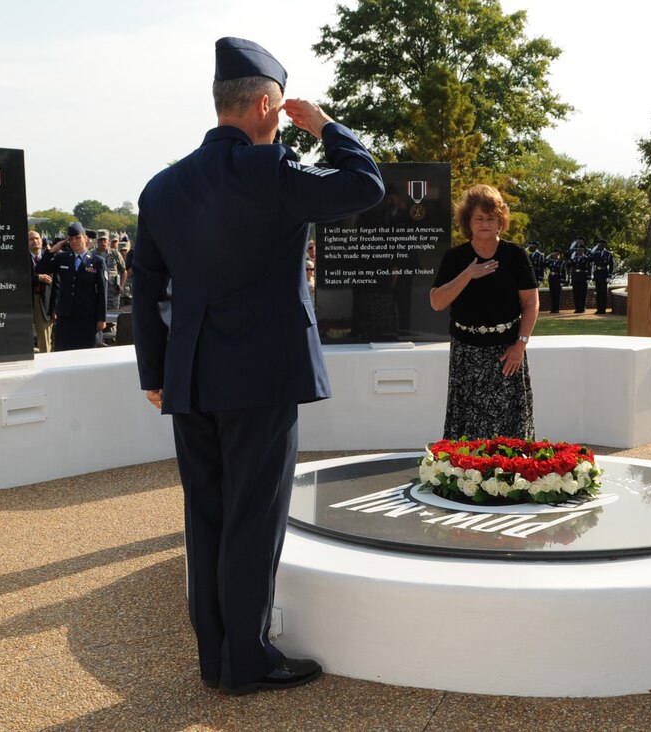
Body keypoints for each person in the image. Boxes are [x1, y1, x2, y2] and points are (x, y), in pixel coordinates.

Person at [132, 37, 384, 695]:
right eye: (280, 107)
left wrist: (156, 374)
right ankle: (247, 660)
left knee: (206, 517)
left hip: (189, 379)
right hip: (262, 376)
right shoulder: (269, 171)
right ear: (268, 102)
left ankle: (214, 658)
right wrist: (325, 125)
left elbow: (148, 289)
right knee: (253, 519)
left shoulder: (162, 187)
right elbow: (366, 183)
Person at [430, 184, 538, 440]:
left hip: (507, 352)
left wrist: (519, 346)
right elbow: (436, 302)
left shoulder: (515, 255)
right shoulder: (456, 258)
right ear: (468, 221)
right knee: (467, 423)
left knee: (507, 422)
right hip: (465, 352)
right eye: (479, 218)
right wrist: (469, 273)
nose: (485, 224)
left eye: (491, 218)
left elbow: (531, 304)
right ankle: (467, 475)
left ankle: (508, 475)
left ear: (501, 221)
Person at [36, 222, 107, 351]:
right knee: (64, 353)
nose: (74, 241)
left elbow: (103, 291)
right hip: (66, 317)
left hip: (87, 317)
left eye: (77, 237)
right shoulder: (62, 258)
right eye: (71, 239)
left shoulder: (97, 261)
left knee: (88, 355)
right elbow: (40, 269)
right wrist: (52, 250)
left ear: (85, 238)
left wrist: (101, 318)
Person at [28, 230, 54, 353]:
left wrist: (55, 309)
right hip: (28, 302)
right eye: (31, 239)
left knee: (45, 341)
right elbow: (16, 280)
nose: (35, 241)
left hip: (45, 303)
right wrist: (37, 278)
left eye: (37, 238)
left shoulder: (50, 258)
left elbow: (56, 285)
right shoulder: (20, 259)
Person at [590, 240, 614, 314]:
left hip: (604, 274)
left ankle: (603, 309)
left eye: (601, 245)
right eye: (599, 245)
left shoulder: (608, 254)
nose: (600, 246)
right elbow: (590, 259)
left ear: (604, 246)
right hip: (597, 274)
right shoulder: (595, 253)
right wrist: (592, 251)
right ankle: (598, 309)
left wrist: (609, 276)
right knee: (598, 292)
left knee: (603, 293)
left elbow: (611, 265)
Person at [568, 238, 590, 313]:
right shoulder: (574, 258)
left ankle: (582, 308)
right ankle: (577, 308)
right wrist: (571, 258)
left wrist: (588, 277)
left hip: (583, 277)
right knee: (576, 293)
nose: (578, 251)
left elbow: (589, 268)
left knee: (582, 293)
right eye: (577, 249)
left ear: (583, 250)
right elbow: (568, 265)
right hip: (575, 277)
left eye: (580, 249)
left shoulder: (586, 258)